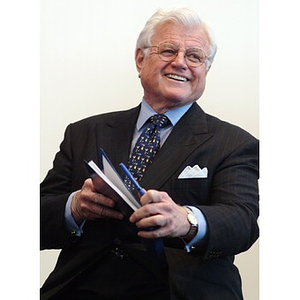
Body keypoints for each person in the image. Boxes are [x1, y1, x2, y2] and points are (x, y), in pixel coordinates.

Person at [40, 7, 259, 300]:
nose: (180, 63)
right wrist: (75, 207)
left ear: (205, 70)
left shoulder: (234, 142)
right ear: (140, 59)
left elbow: (242, 222)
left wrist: (186, 221)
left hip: (178, 290)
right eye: (168, 50)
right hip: (81, 287)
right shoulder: (84, 132)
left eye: (194, 56)